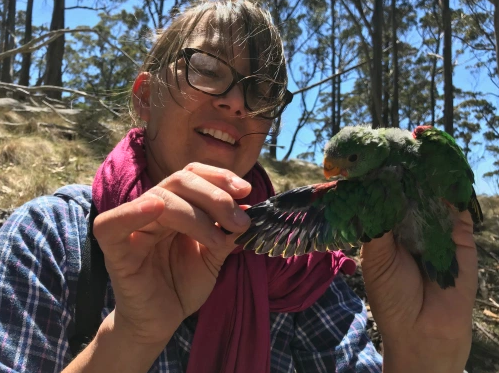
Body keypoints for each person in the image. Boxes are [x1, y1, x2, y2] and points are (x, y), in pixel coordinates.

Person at [0, 1, 477, 372]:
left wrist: (422, 361)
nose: (236, 104)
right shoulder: (49, 240)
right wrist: (130, 336)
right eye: (206, 69)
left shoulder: (301, 272)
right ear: (145, 97)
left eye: (262, 89)